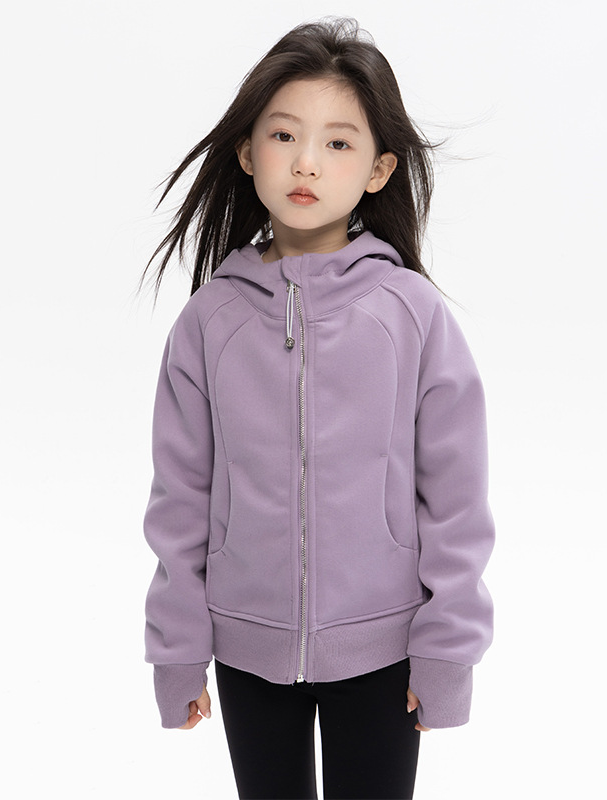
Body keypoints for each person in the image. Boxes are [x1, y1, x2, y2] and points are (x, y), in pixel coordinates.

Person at [139, 16, 495, 800]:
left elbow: (457, 497)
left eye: (338, 142)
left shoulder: (411, 314)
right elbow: (179, 501)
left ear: (379, 169)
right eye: (284, 135)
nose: (306, 161)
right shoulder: (209, 323)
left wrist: (447, 649)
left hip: (386, 649)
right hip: (246, 650)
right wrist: (177, 650)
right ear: (247, 153)